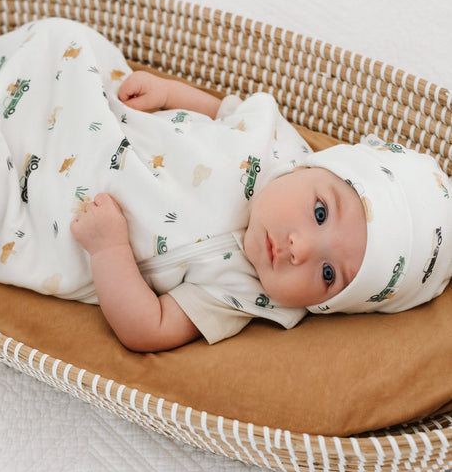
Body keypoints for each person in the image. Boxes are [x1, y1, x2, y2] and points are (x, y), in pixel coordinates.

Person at [71, 69, 452, 352]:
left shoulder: (245, 294)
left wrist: (109, 251)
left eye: (328, 273)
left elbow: (148, 328)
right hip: (102, 118)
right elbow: (224, 112)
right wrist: (169, 93)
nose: (299, 249)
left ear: (326, 307)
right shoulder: (276, 142)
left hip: (72, 205)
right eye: (320, 213)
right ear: (316, 166)